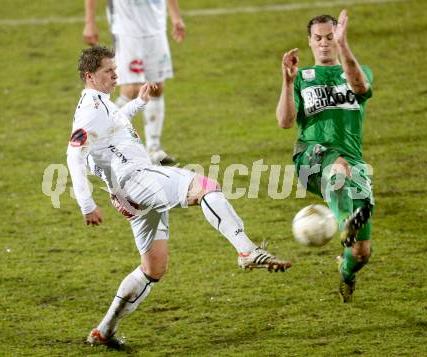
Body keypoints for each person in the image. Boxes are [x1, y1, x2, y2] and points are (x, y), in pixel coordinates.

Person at [68, 46, 291, 348]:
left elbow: (112, 125)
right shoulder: (91, 110)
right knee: (205, 186)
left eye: (114, 68)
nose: (116, 74)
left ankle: (104, 330)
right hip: (137, 179)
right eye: (109, 71)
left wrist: (138, 103)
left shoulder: (99, 103)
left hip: (127, 196)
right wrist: (86, 203)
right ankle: (246, 250)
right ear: (89, 75)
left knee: (153, 268)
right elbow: (74, 154)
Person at [276, 9, 374, 303]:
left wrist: (344, 47)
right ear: (309, 42)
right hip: (311, 157)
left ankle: (346, 272)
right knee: (337, 166)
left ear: (338, 37)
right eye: (318, 38)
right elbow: (284, 121)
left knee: (361, 252)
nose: (324, 43)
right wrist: (288, 82)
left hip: (352, 161)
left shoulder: (358, 70)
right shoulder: (304, 78)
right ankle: (346, 220)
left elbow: (359, 88)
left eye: (330, 37)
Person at [83, 0, 186, 165]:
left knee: (156, 87)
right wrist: (90, 22)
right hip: (126, 31)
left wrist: (175, 18)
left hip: (156, 28)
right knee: (131, 90)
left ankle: (153, 149)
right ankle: (93, 142)